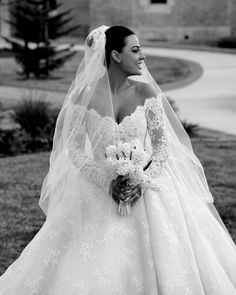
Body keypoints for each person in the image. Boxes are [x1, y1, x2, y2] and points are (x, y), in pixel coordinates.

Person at [0, 25, 236, 295]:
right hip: (99, 187)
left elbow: (162, 148)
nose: (142, 57)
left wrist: (141, 181)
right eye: (135, 50)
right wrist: (107, 182)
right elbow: (75, 150)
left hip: (150, 187)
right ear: (115, 55)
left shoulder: (147, 93)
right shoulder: (83, 96)